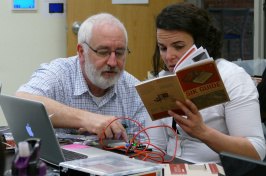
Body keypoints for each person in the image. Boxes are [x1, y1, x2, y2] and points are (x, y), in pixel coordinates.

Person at [145, 2, 266, 163]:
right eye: (163, 48)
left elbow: (257, 150)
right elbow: (155, 148)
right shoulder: (162, 79)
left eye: (179, 46)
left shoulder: (232, 77)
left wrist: (203, 132)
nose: (168, 57)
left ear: (201, 45)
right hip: (171, 169)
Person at [15, 13, 146, 142]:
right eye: (103, 52)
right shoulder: (59, 73)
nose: (112, 62)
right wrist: (86, 118)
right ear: (81, 52)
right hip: (61, 162)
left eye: (119, 53)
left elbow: (144, 149)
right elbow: (20, 104)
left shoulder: (134, 90)